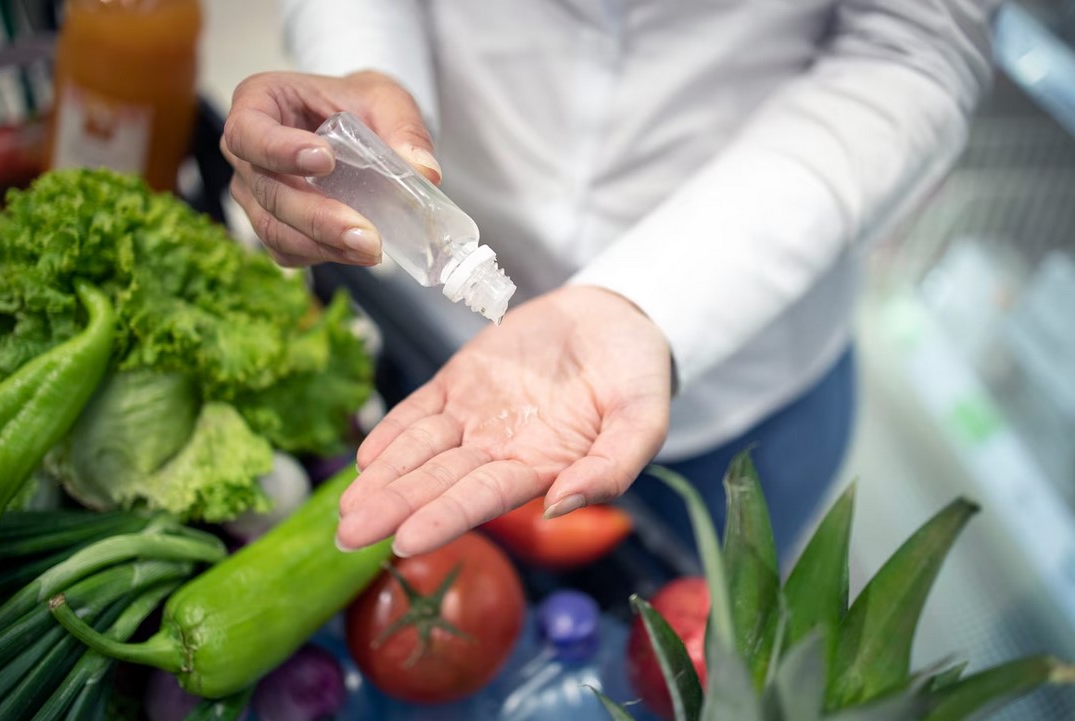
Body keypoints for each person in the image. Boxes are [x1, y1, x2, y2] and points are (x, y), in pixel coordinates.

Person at [221, 1, 1001, 561]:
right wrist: (361, 80)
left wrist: (649, 299)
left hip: (743, 380)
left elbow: (913, 47)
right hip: (446, 373)